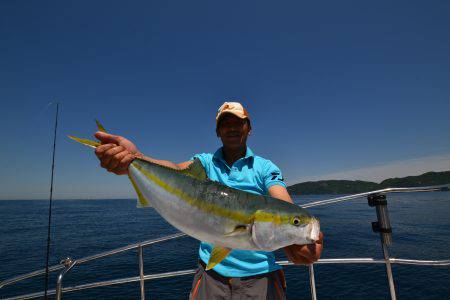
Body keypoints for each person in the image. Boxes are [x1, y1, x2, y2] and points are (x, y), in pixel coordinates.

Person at [94, 102, 324, 299]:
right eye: (225, 123)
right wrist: (137, 159)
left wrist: (301, 232)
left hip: (260, 279)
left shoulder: (265, 168)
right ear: (217, 131)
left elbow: (282, 200)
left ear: (249, 128)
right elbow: (176, 170)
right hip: (210, 276)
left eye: (239, 122)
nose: (232, 127)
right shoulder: (204, 162)